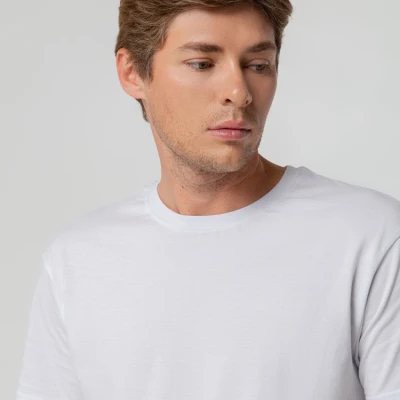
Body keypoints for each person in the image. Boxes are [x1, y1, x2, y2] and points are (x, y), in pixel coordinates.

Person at [16, 1, 400, 399]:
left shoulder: (371, 239)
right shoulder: (77, 261)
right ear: (133, 73)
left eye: (258, 65)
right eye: (202, 64)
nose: (239, 93)